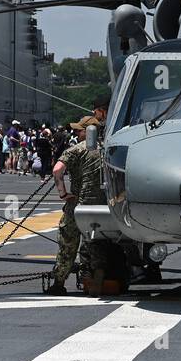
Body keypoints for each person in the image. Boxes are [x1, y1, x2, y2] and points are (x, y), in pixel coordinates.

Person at [46, 115, 107, 296]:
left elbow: (57, 170)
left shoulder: (75, 150)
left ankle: (59, 283)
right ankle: (94, 280)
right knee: (96, 244)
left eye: (79, 129)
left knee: (68, 243)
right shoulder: (108, 149)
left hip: (77, 205)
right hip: (102, 207)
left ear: (88, 131)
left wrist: (63, 193)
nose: (76, 132)